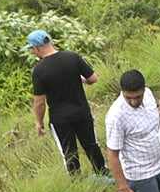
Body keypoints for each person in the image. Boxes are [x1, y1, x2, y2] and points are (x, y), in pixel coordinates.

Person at [29, 28, 105, 175]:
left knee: (69, 152)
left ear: (37, 47)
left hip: (60, 119)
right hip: (82, 112)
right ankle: (102, 173)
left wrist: (39, 122)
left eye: (32, 49)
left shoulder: (38, 70)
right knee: (91, 145)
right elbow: (93, 78)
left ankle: (77, 182)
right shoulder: (72, 57)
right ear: (50, 42)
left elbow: (39, 102)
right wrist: (81, 80)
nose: (33, 52)